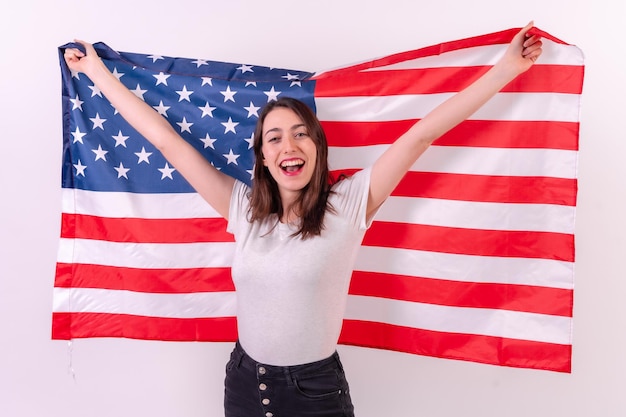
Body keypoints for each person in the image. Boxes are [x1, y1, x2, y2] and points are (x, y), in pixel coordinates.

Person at [64, 22, 542, 417]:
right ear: (263, 158)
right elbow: (166, 140)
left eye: (300, 135)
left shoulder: (350, 204)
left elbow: (421, 136)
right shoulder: (242, 209)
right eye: (274, 138)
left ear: (318, 149)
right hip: (244, 383)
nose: (288, 146)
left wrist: (507, 68)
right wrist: (97, 73)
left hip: (315, 393)